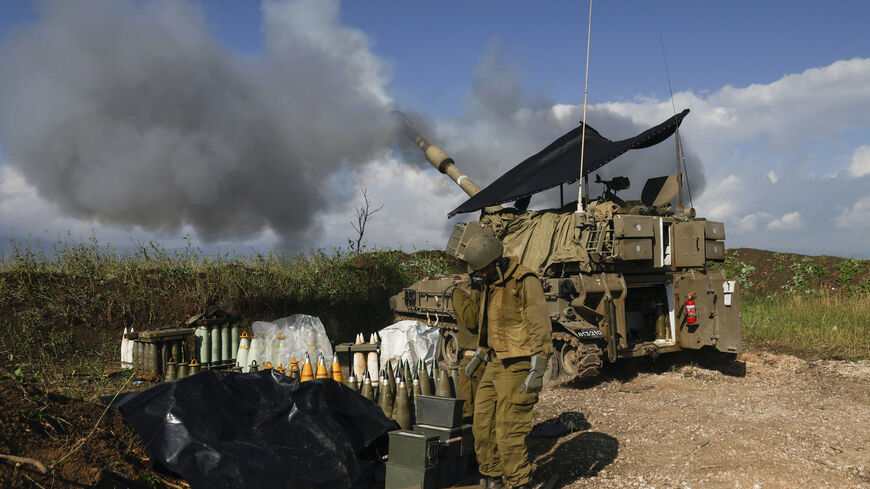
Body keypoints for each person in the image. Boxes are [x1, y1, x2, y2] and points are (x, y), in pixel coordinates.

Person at [461, 233, 552, 489]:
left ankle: (520, 481)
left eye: (482, 269)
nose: (480, 274)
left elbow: (539, 323)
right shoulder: (489, 282)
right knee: (482, 424)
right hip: (494, 361)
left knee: (508, 429)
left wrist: (539, 366)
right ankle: (491, 476)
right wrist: (480, 352)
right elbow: (488, 321)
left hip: (519, 362)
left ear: (495, 261)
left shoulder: (524, 280)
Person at [452, 277, 482, 423]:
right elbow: (471, 320)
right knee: (469, 412)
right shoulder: (461, 291)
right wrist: (476, 291)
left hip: (492, 360)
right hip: (474, 360)